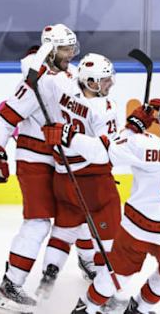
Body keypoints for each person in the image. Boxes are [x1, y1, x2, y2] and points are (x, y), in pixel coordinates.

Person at [42, 98, 160, 314]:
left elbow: (100, 152)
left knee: (117, 274)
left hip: (136, 229)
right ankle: (141, 308)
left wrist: (71, 136)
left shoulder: (141, 144)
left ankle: (86, 308)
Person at [0, 23, 95, 313]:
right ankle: (10, 286)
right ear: (50, 49)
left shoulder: (67, 75)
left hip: (61, 159)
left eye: (73, 47)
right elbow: (6, 116)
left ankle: (89, 261)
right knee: (38, 223)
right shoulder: (35, 80)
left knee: (78, 211)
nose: (71, 53)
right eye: (65, 48)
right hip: (34, 161)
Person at [35, 51, 124, 303]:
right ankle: (104, 292)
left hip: (63, 177)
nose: (110, 84)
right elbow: (104, 154)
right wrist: (135, 130)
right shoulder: (104, 108)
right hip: (92, 182)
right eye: (104, 80)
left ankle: (49, 273)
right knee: (108, 240)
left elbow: (43, 74)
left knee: (64, 229)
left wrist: (43, 55)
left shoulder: (66, 89)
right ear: (91, 83)